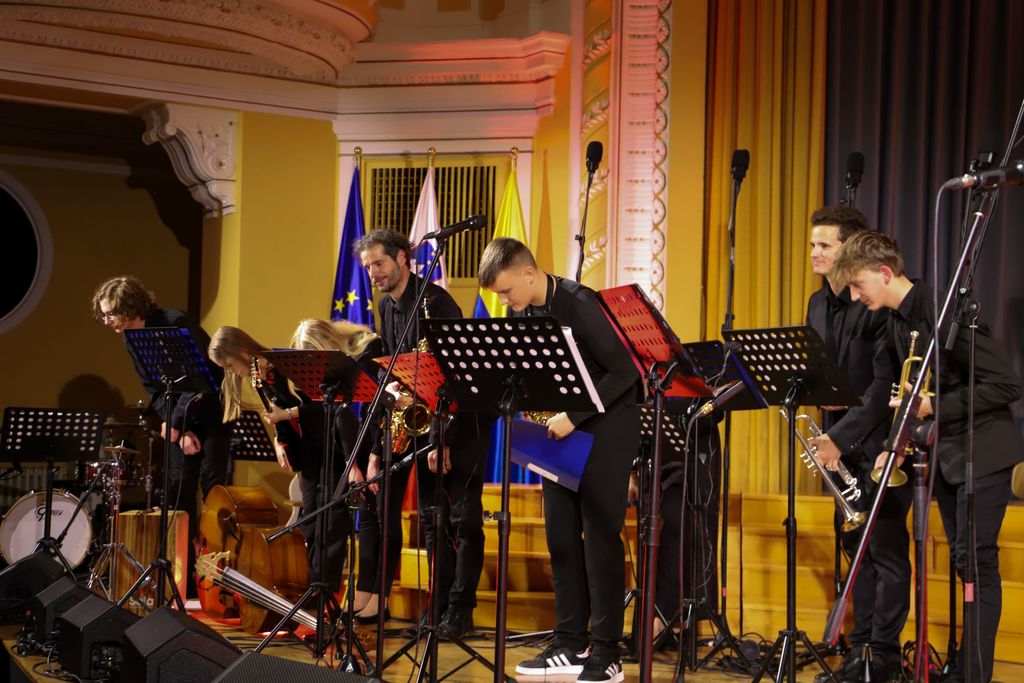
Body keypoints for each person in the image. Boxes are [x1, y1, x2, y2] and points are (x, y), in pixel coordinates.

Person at [831, 230, 1024, 683]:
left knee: (975, 562)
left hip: (984, 453)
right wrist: (893, 448)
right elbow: (903, 393)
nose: (855, 297)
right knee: (963, 563)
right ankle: (962, 667)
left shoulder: (944, 310)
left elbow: (1006, 385)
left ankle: (974, 674)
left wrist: (935, 405)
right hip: (948, 457)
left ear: (884, 272)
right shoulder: (895, 324)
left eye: (858, 284)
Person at [479, 237, 642, 683]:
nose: (504, 301)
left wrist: (573, 416)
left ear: (529, 274)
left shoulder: (579, 302)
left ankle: (606, 652)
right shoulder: (521, 312)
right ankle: (571, 642)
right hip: (559, 431)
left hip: (607, 426)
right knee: (562, 539)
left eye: (507, 291)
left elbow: (625, 373)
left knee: (600, 540)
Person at [356, 228, 490, 639]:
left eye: (379, 263)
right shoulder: (387, 306)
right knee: (433, 520)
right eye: (368, 267)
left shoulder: (438, 303)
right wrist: (380, 440)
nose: (373, 273)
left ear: (402, 257)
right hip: (420, 422)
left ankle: (459, 610)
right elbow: (397, 370)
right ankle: (437, 610)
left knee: (459, 521)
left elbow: (456, 376)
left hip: (456, 423)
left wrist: (442, 438)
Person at [804, 207, 908, 682]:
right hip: (839, 447)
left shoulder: (874, 301)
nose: (814, 253)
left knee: (885, 553)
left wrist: (839, 437)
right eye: (812, 244)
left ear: (850, 248)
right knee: (856, 550)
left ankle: (883, 656)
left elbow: (884, 385)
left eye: (824, 245)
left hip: (880, 442)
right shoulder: (817, 304)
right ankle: (860, 650)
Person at [91, 276, 229, 597]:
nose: (107, 321)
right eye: (104, 315)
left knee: (213, 491)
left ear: (129, 307)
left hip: (211, 412)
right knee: (179, 491)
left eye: (110, 313)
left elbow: (201, 377)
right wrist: (175, 426)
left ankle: (215, 578)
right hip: (180, 419)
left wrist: (177, 422)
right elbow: (153, 388)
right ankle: (185, 580)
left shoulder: (174, 322)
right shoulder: (131, 338)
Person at [208, 324, 369, 593]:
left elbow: (322, 405)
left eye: (230, 364)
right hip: (309, 451)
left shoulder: (282, 367)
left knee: (331, 521)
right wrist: (279, 440)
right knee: (311, 521)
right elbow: (277, 412)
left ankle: (324, 590)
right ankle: (312, 586)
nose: (231, 372)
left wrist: (287, 415)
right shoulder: (258, 376)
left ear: (242, 352)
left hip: (331, 445)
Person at [289, 318, 383, 617]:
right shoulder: (307, 373)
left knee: (336, 524)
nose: (307, 365)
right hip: (326, 450)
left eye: (311, 356)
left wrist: (352, 462)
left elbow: (347, 415)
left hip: (357, 445)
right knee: (313, 523)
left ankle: (332, 595)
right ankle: (314, 591)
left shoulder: (357, 359)